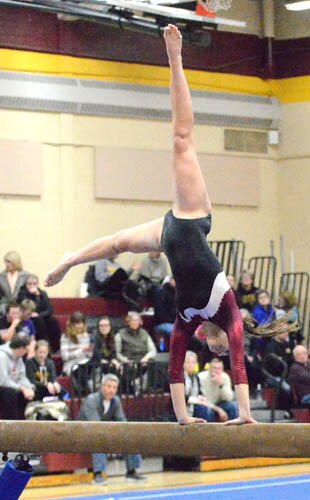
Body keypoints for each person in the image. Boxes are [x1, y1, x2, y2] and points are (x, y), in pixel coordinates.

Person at [45, 25, 268, 425]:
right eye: (218, 350)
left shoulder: (188, 318)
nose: (216, 353)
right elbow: (238, 361)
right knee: (182, 139)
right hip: (194, 217)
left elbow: (174, 369)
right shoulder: (228, 311)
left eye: (213, 352)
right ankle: (175, 56)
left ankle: (70, 259)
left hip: (169, 234)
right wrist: (246, 415)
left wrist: (183, 419)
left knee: (116, 243)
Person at [78, 373, 146, 484]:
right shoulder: (91, 400)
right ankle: (98, 474)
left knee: (130, 436)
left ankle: (131, 472)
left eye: (114, 387)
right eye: (109, 387)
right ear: (102, 386)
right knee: (98, 439)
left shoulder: (116, 401)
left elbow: (122, 422)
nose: (111, 390)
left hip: (103, 432)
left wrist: (126, 433)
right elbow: (95, 425)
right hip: (83, 434)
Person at [17, 274, 61, 352]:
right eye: (29, 284)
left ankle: (55, 347)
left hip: (41, 316)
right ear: (25, 284)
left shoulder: (42, 293)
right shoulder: (22, 293)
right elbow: (30, 308)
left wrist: (38, 296)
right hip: (28, 317)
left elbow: (49, 309)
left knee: (52, 320)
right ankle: (45, 345)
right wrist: (34, 296)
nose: (32, 286)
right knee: (39, 320)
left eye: (34, 284)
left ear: (38, 284)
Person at [0, 335, 35, 419]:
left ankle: (26, 420)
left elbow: (21, 377)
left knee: (32, 389)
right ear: (20, 349)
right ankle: (10, 422)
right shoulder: (2, 356)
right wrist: (22, 389)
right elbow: (3, 381)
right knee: (12, 393)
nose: (26, 353)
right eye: (26, 350)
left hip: (11, 386)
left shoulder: (18, 358)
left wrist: (29, 388)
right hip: (3, 387)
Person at [198, 358, 238, 422]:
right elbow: (201, 400)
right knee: (205, 410)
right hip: (206, 405)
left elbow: (229, 398)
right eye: (214, 368)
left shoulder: (225, 377)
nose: (217, 371)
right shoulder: (201, 377)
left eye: (219, 368)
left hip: (220, 403)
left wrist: (221, 385)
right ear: (209, 369)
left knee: (233, 405)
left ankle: (231, 430)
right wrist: (218, 409)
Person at [60, 311, 92, 376]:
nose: (80, 326)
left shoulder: (86, 336)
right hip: (71, 364)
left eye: (81, 323)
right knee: (81, 372)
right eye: (77, 323)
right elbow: (64, 357)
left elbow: (89, 356)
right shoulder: (65, 337)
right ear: (72, 324)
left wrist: (89, 351)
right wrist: (80, 351)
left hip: (85, 362)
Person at [153, 276, 176, 348]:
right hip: (162, 323)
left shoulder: (181, 294)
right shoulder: (162, 293)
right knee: (175, 331)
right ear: (170, 281)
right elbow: (160, 314)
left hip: (176, 322)